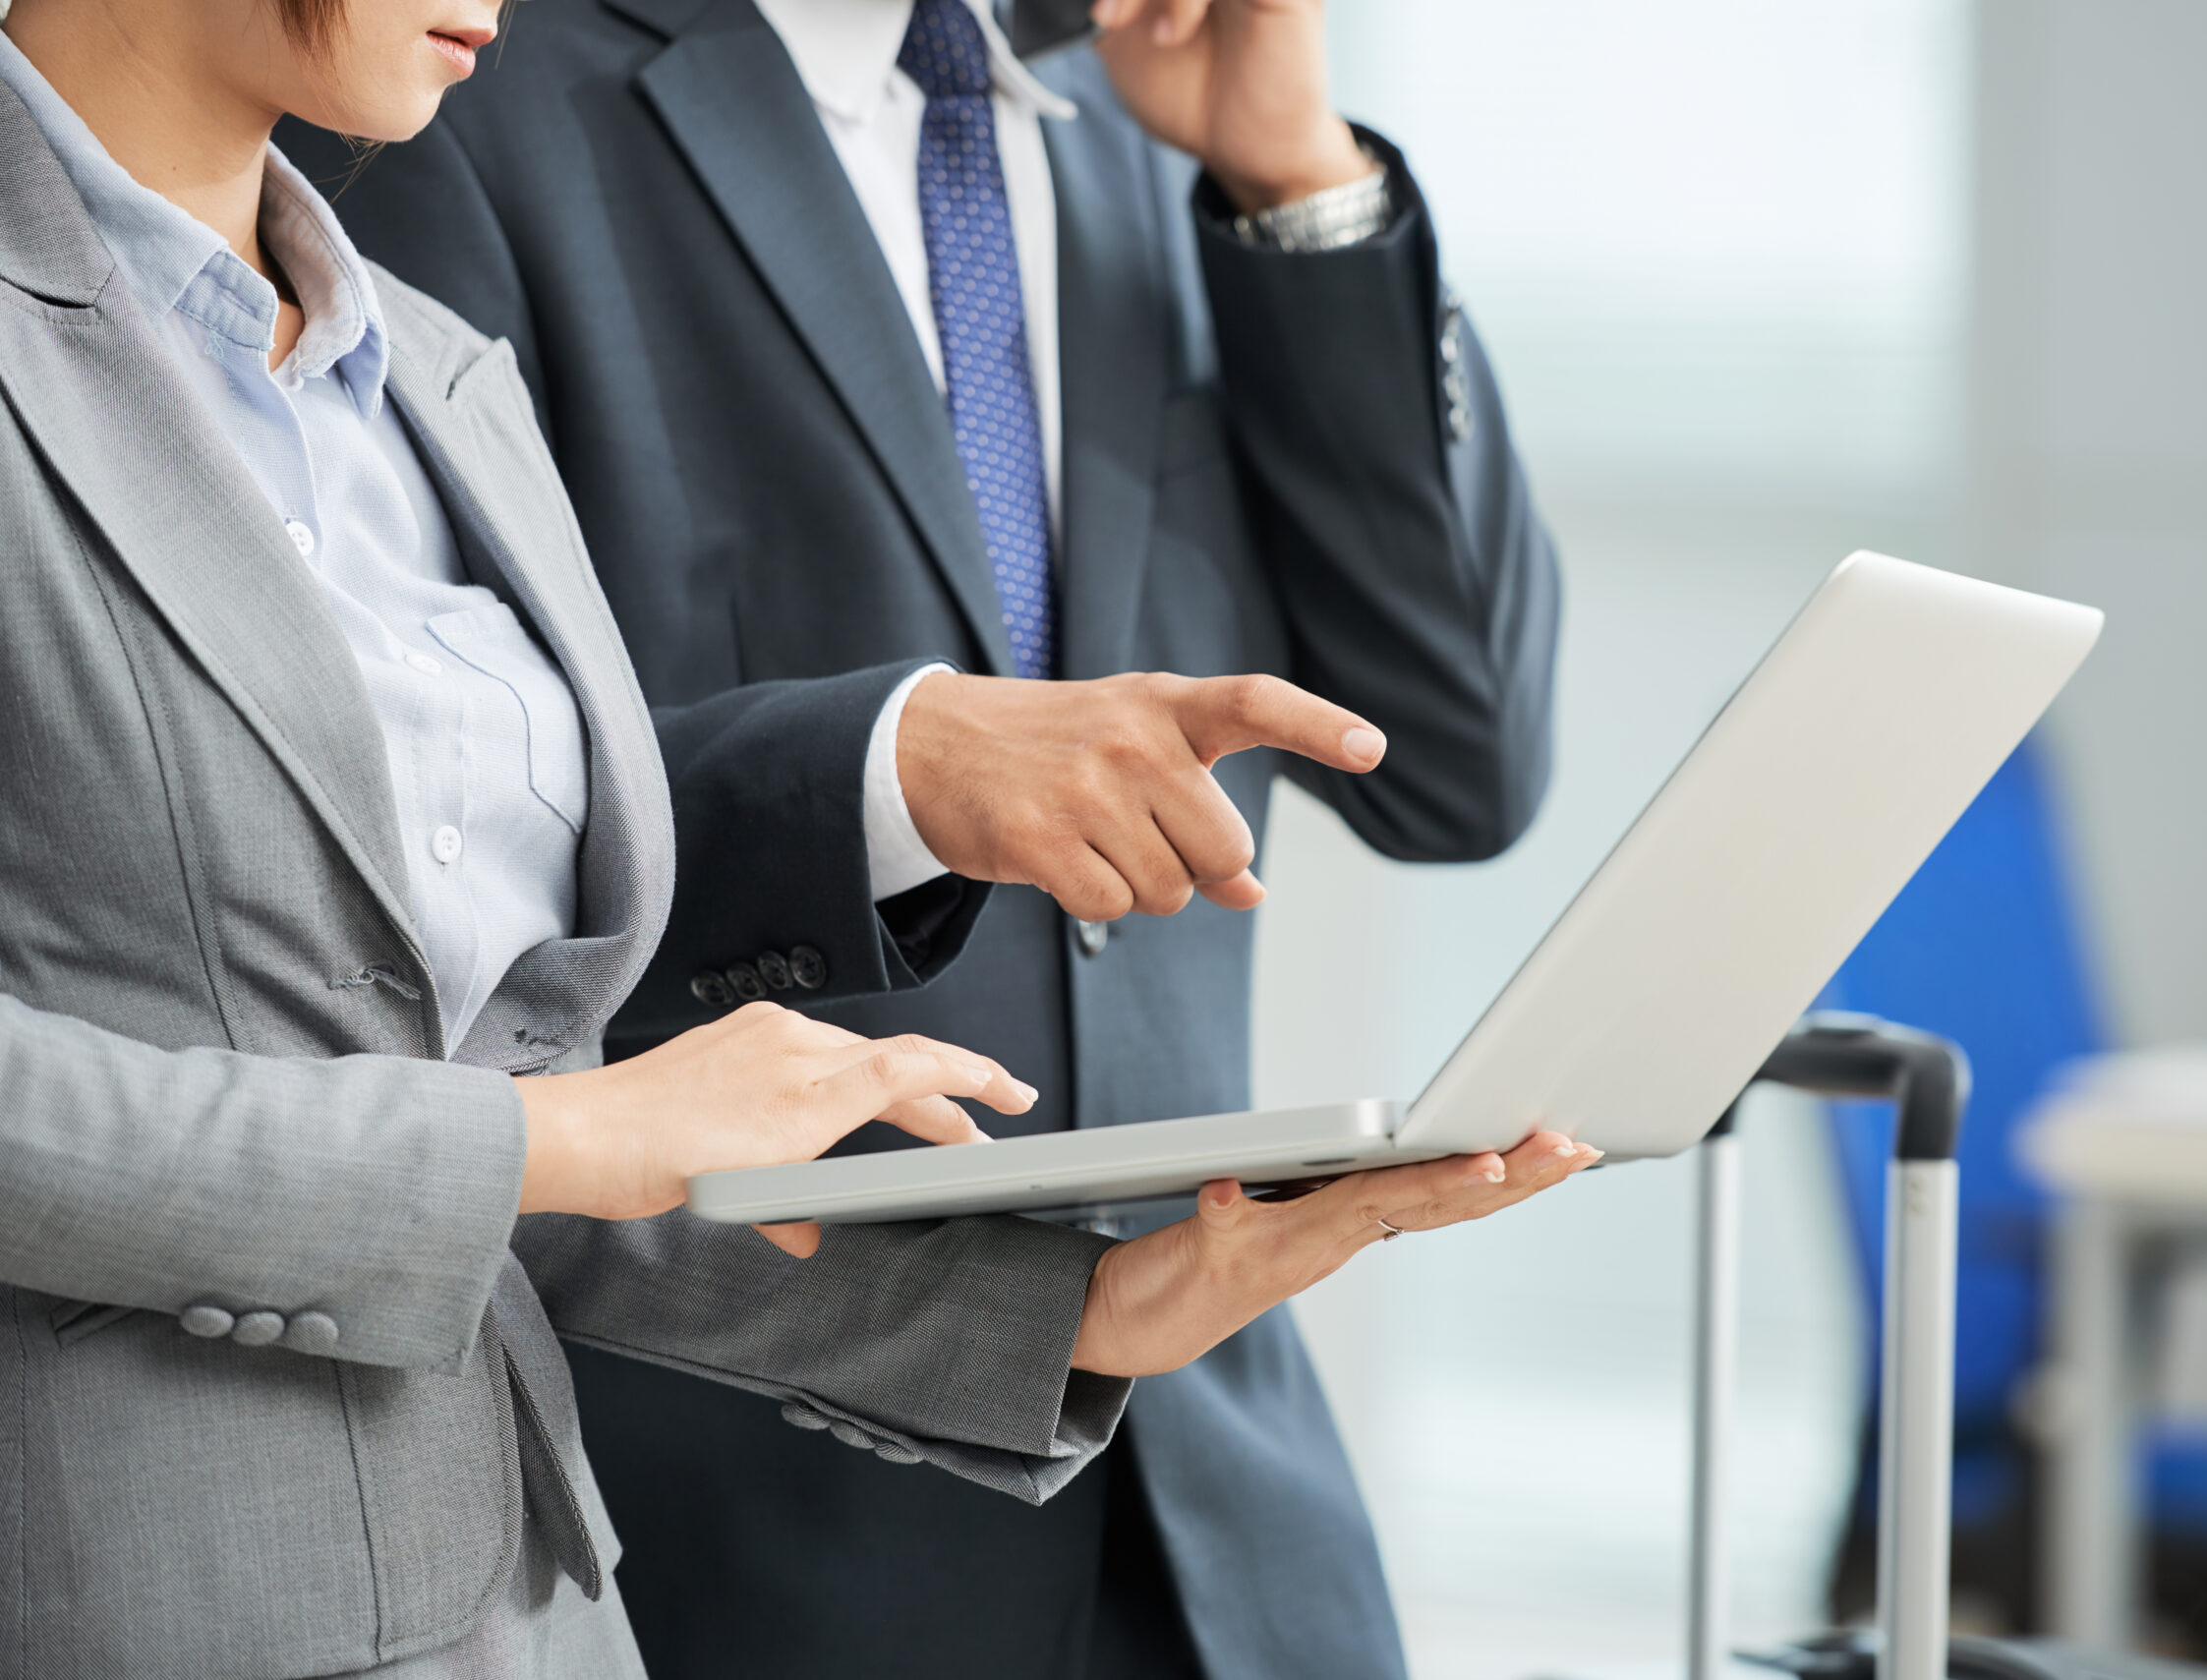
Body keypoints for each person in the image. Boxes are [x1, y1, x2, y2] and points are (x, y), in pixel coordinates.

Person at [0, 1, 1598, 1674]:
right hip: (518, 1563)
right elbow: (483, 1098)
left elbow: (470, 1062)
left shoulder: (408, 365)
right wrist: (887, 776)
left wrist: (1074, 1311)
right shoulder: (470, 134)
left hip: (784, 1555)